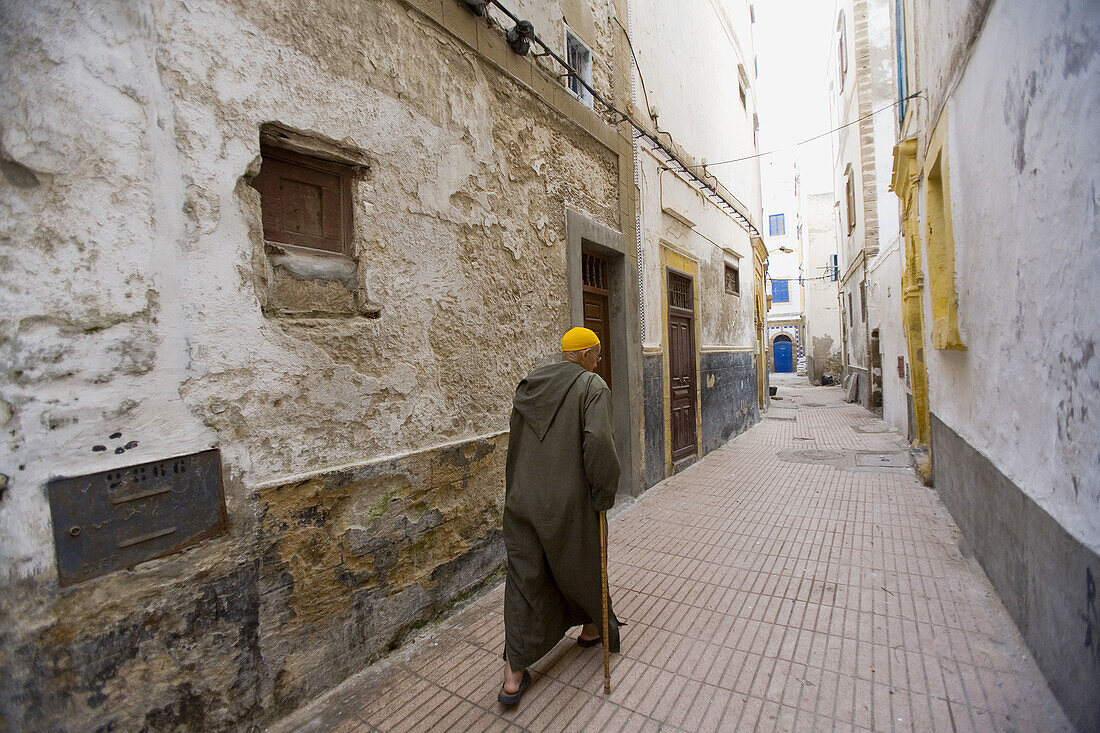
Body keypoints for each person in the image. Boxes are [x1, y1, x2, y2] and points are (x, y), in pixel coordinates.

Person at [498, 327, 621, 706]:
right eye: (596, 355)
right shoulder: (591, 387)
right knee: (582, 564)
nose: (598, 362)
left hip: (523, 498)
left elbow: (516, 443)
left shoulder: (530, 384)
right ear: (584, 355)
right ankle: (590, 628)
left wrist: (514, 491)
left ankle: (513, 679)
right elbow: (599, 444)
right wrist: (603, 493)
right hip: (570, 501)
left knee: (524, 578)